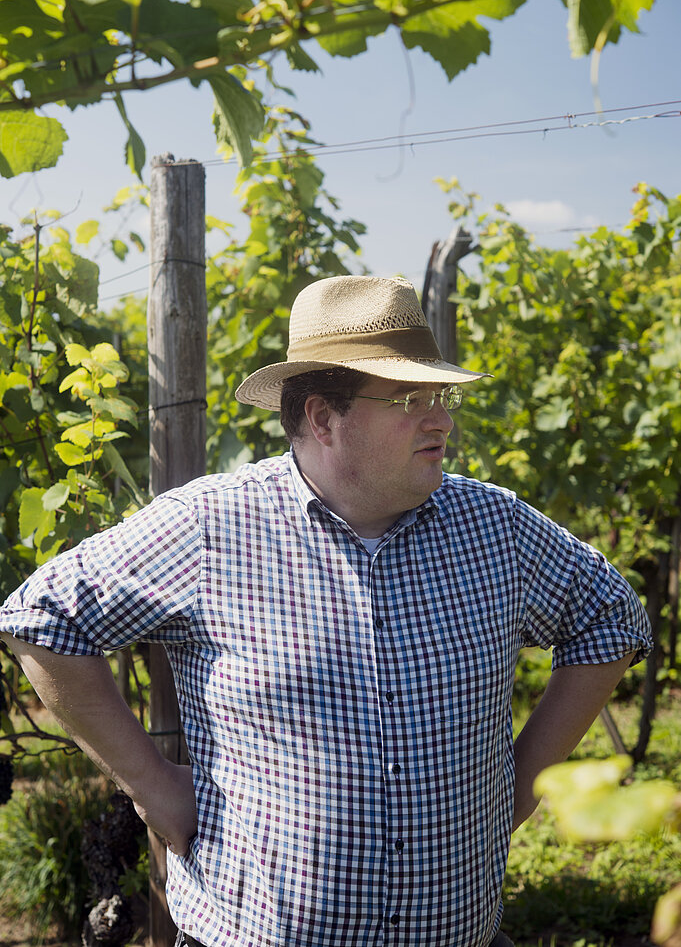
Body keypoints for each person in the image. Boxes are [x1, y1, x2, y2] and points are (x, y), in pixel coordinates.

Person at [1, 275, 652, 947]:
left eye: (440, 397)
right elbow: (41, 618)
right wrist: (153, 785)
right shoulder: (210, 527)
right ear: (321, 418)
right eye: (409, 398)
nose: (442, 419)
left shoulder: (495, 527)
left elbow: (610, 617)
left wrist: (523, 781)